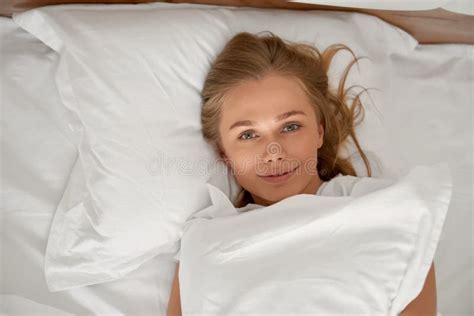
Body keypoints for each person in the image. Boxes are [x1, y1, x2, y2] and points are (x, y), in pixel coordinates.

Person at [167, 31, 436, 315]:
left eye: (291, 126)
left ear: (319, 131)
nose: (273, 152)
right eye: (248, 135)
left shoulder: (392, 215)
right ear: (224, 154)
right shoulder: (205, 241)